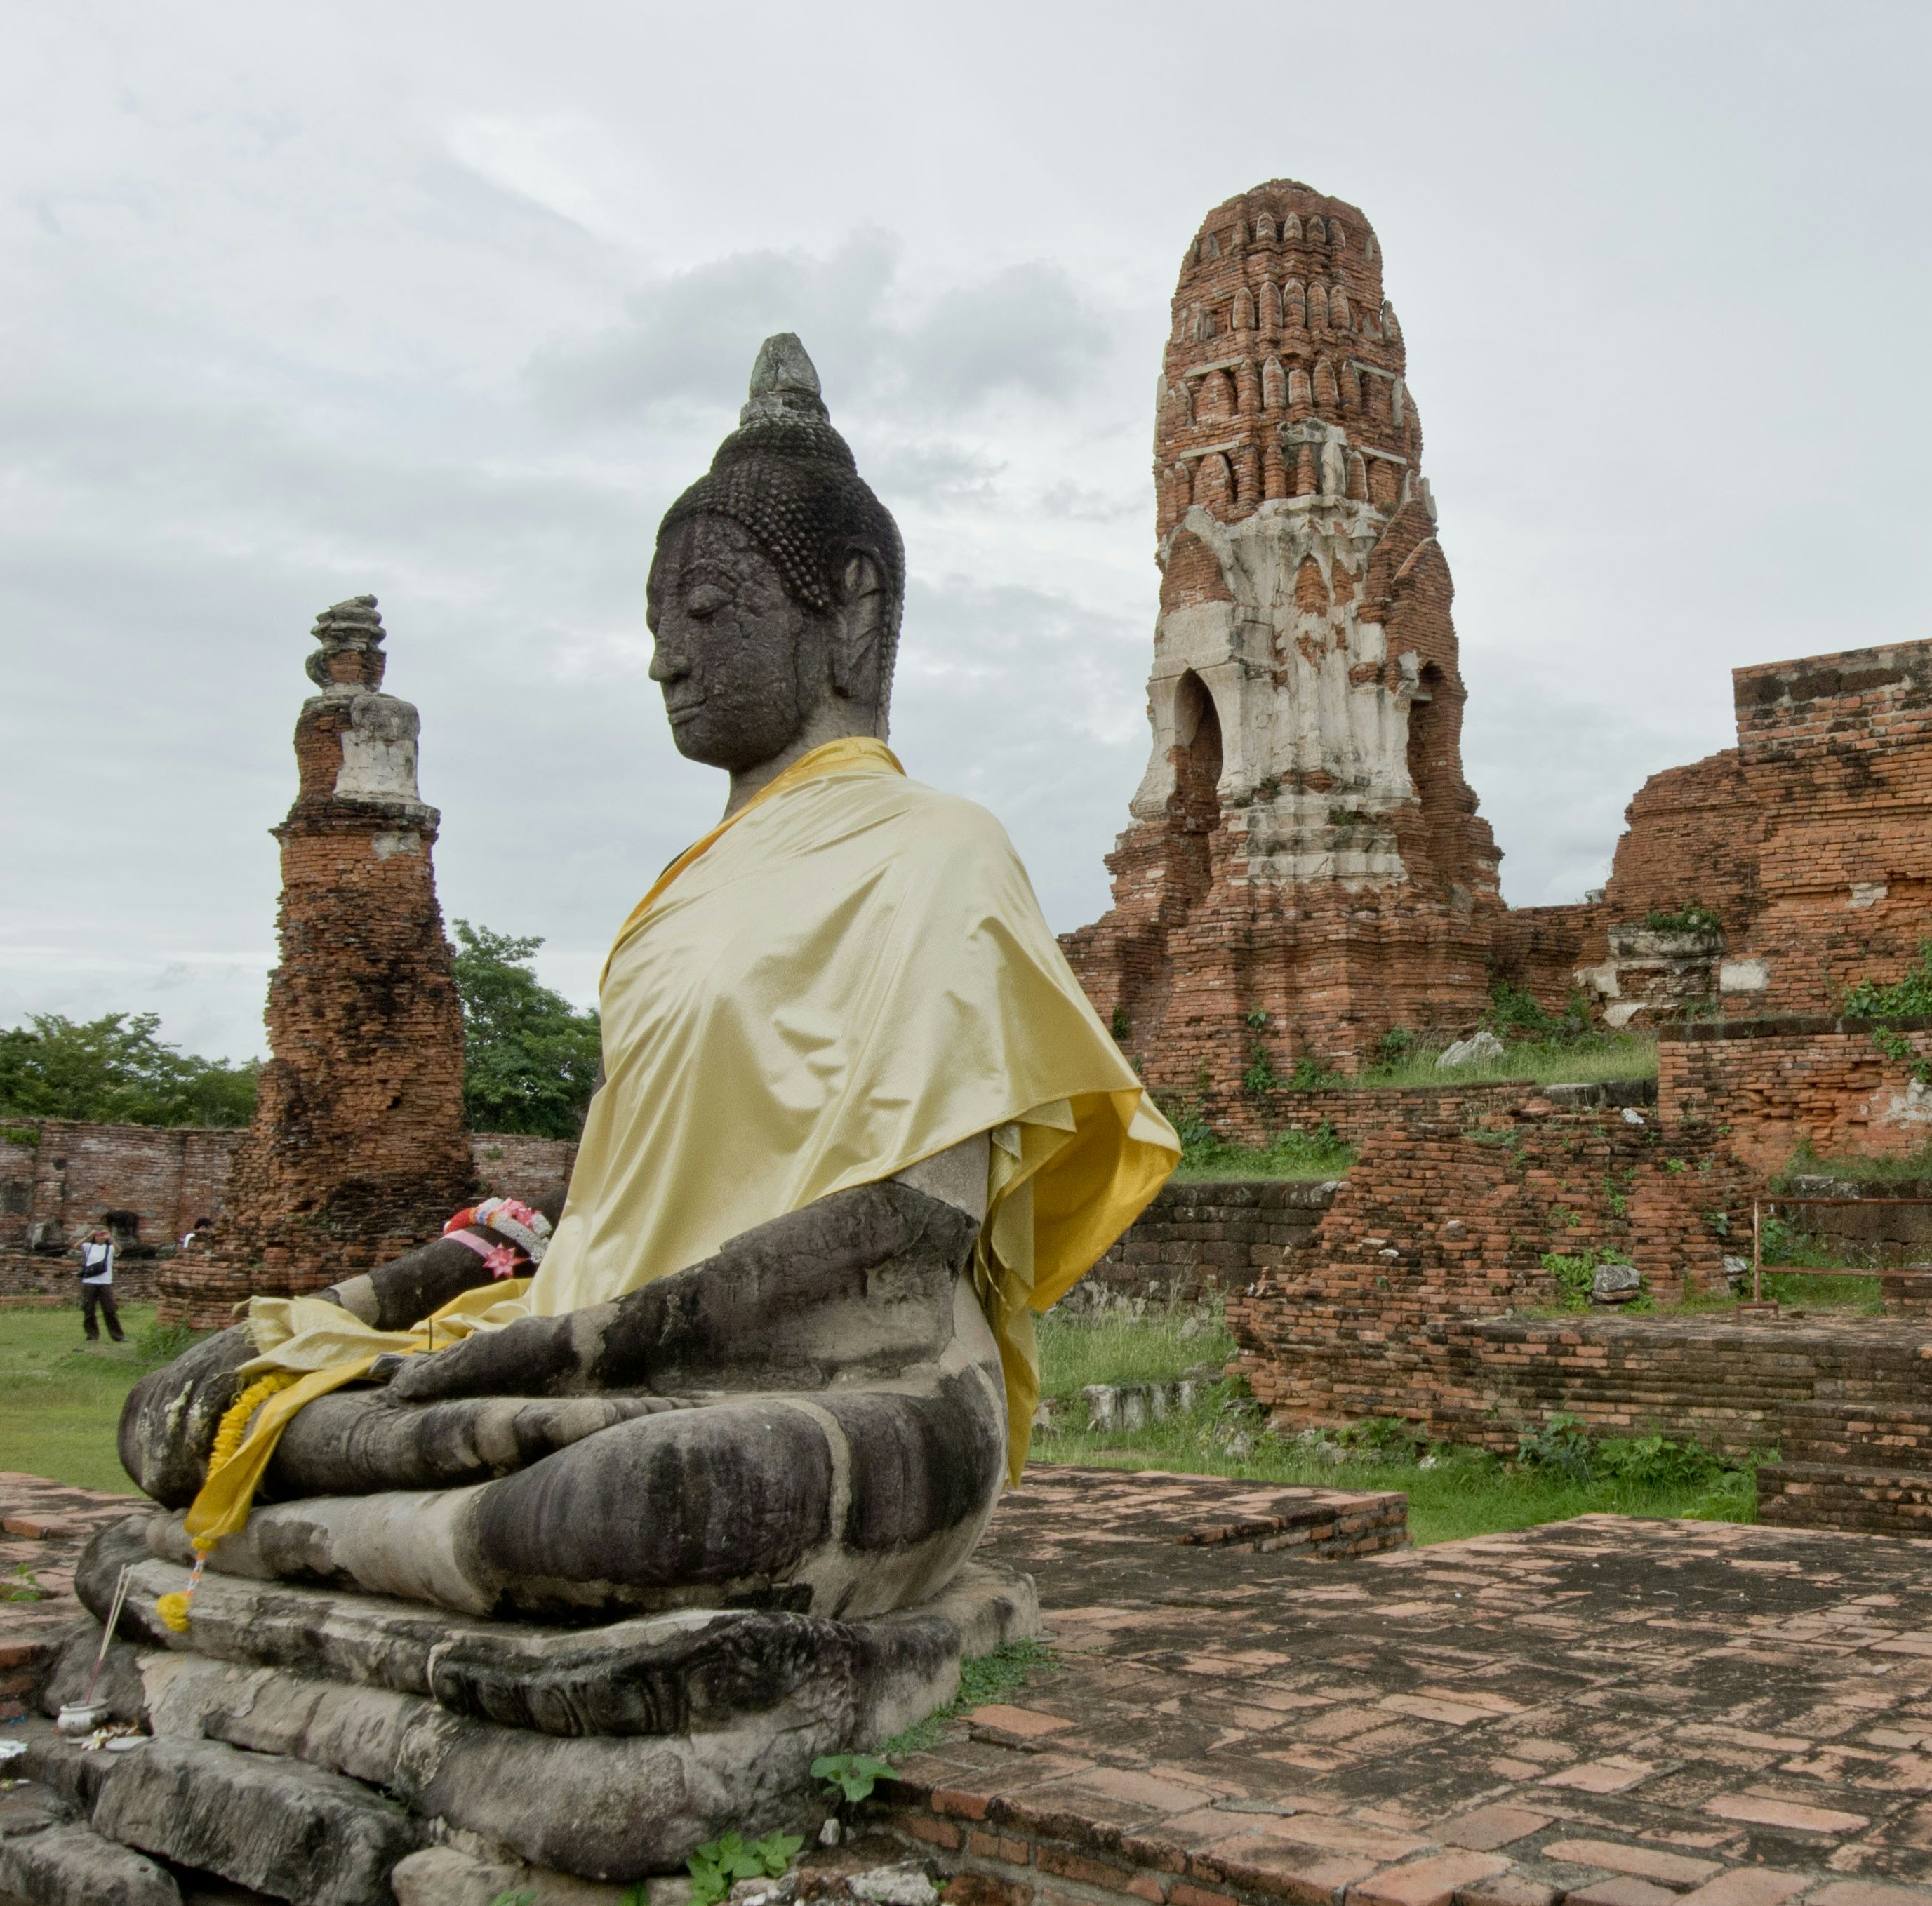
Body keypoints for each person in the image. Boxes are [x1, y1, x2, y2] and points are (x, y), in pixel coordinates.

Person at [121, 333, 1178, 1622]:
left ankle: (356, 1541)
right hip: (592, 1347)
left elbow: (912, 1222)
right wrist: (415, 1297)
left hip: (843, 1381)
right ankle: (393, 1528)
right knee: (191, 1409)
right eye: (658, 623)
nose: (667, 658)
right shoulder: (678, 899)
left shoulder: (939, 850)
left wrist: (582, 1348)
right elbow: (613, 1200)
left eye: (712, 613)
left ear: (847, 610)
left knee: (649, 1492)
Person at [77, 1227, 124, 1344]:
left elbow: (120, 1250)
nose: (100, 1237)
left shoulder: (110, 1248)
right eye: (98, 1235)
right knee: (89, 1310)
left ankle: (118, 1336)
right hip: (89, 1282)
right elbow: (76, 1246)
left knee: (110, 1310)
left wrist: (110, 1238)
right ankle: (92, 1335)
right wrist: (89, 1235)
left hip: (105, 1282)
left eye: (102, 1235)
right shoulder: (89, 1247)